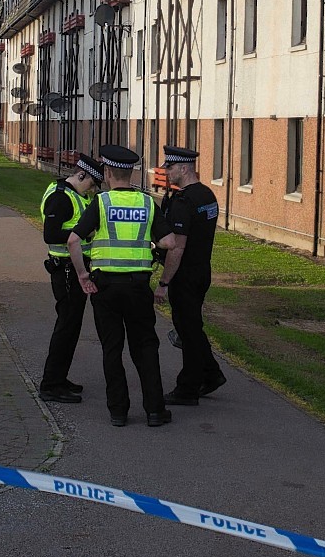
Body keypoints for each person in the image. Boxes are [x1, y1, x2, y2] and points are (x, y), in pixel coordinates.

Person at [68, 144, 177, 428]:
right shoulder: (147, 203)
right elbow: (169, 242)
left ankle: (118, 411)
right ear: (131, 173)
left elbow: (73, 240)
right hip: (138, 287)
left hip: (105, 287)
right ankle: (155, 410)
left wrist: (83, 276)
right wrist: (149, 245)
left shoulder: (101, 203)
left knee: (111, 348)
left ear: (107, 172)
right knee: (145, 347)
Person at [155, 143, 227, 406]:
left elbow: (178, 247)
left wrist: (164, 282)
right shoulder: (207, 195)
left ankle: (187, 388)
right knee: (192, 327)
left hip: (184, 274)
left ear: (184, 168)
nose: (167, 171)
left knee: (188, 331)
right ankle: (211, 374)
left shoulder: (183, 201)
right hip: (201, 270)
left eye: (170, 167)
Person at [38, 153, 104, 405]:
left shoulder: (74, 195)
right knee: (66, 326)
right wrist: (83, 234)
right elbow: (51, 234)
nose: (92, 189)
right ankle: (51, 385)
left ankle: (59, 378)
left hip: (72, 267)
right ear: (81, 174)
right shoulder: (60, 197)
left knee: (72, 325)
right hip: (65, 269)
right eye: (92, 183)